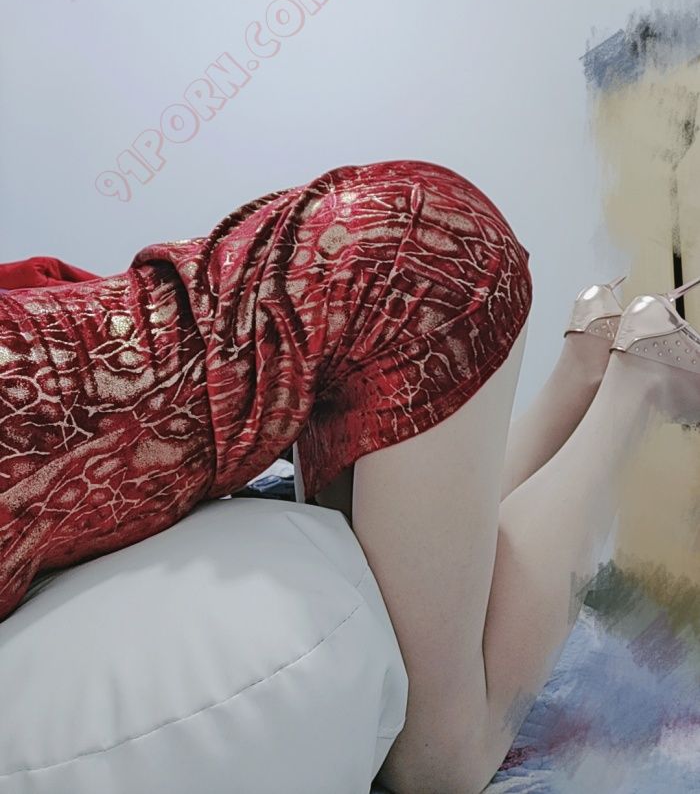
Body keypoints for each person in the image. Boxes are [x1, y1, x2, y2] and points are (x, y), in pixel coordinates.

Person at [0, 158, 689, 793]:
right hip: (323, 262)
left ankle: (642, 381)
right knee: (393, 600)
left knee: (443, 760)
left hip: (408, 276)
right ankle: (587, 361)